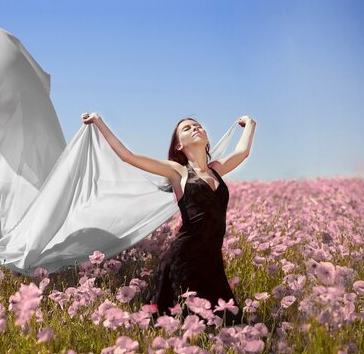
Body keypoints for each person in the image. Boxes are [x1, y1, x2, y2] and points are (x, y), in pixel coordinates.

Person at [81, 112, 256, 326]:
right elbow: (128, 156)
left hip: (212, 261)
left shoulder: (217, 169)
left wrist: (250, 124)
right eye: (187, 128)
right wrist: (99, 121)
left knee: (225, 324)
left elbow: (243, 151)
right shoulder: (178, 172)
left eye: (198, 126)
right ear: (178, 146)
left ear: (207, 139)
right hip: (183, 259)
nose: (195, 128)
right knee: (181, 324)